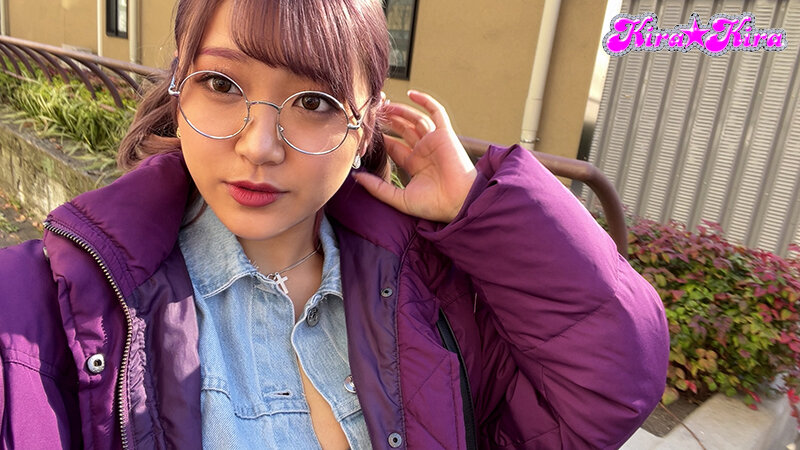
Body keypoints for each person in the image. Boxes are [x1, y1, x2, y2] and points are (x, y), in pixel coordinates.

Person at [0, 0, 669, 448]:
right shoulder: (54, 305)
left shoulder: (434, 292)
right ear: (180, 91)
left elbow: (610, 382)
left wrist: (483, 208)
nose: (260, 146)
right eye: (223, 85)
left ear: (365, 126)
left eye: (315, 101)